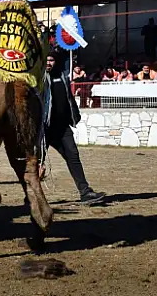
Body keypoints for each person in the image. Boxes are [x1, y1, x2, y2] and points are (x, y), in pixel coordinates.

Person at [43, 51, 106, 204]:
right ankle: (30, 197)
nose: (49, 63)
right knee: (37, 162)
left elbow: (68, 98)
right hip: (43, 128)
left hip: (63, 126)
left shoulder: (62, 76)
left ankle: (85, 192)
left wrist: (74, 116)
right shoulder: (38, 78)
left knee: (73, 156)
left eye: (51, 60)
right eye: (46, 60)